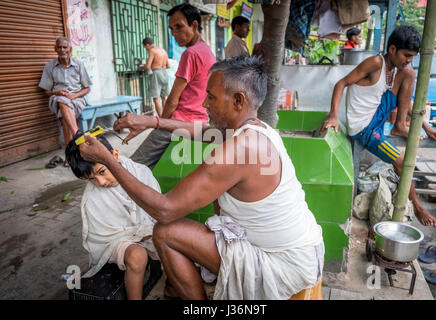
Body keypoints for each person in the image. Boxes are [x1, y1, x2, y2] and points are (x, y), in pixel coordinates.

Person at [79, 56, 325, 300]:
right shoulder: (258, 128)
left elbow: (164, 210)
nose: (205, 103)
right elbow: (205, 132)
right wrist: (152, 122)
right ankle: (181, 286)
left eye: (212, 96)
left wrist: (110, 160)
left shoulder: (240, 149)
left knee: (165, 232)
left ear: (238, 100)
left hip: (281, 266)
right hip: (305, 250)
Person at [320, 25, 436, 228]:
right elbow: (341, 83)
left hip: (377, 119)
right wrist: (333, 116)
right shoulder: (375, 63)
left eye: (412, 56)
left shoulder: (397, 70)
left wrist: (426, 127)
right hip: (364, 128)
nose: (409, 60)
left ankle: (399, 126)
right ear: (392, 50)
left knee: (409, 74)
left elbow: (405, 101)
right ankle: (418, 207)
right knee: (401, 161)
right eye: (406, 55)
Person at [65, 132, 161, 300]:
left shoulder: (141, 172)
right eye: (92, 179)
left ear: (114, 155)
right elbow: (104, 236)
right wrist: (140, 234)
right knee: (137, 256)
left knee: (171, 238)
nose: (101, 183)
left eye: (102, 171)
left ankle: (172, 286)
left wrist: (149, 231)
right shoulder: (91, 199)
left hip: (145, 229)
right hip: (114, 241)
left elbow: (157, 209)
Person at [131, 3, 216, 170]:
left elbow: (172, 100)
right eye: (171, 29)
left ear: (194, 25)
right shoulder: (206, 50)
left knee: (133, 167)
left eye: (179, 27)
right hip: (200, 120)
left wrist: (160, 123)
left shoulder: (190, 54)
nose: (174, 33)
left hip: (180, 121)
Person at [38, 37, 91, 165]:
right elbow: (46, 91)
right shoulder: (50, 67)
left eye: (65, 47)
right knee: (62, 101)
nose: (62, 50)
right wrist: (56, 92)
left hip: (77, 99)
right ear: (55, 49)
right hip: (57, 98)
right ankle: (78, 137)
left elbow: (87, 88)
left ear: (70, 49)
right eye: (59, 47)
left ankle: (70, 155)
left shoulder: (78, 64)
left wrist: (74, 96)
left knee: (65, 118)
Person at [140, 37, 170, 117]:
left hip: (156, 74)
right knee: (164, 97)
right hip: (164, 73)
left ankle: (161, 118)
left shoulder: (152, 51)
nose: (146, 49)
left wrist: (143, 67)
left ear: (147, 45)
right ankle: (167, 116)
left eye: (145, 47)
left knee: (156, 98)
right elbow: (168, 65)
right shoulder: (163, 51)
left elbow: (148, 66)